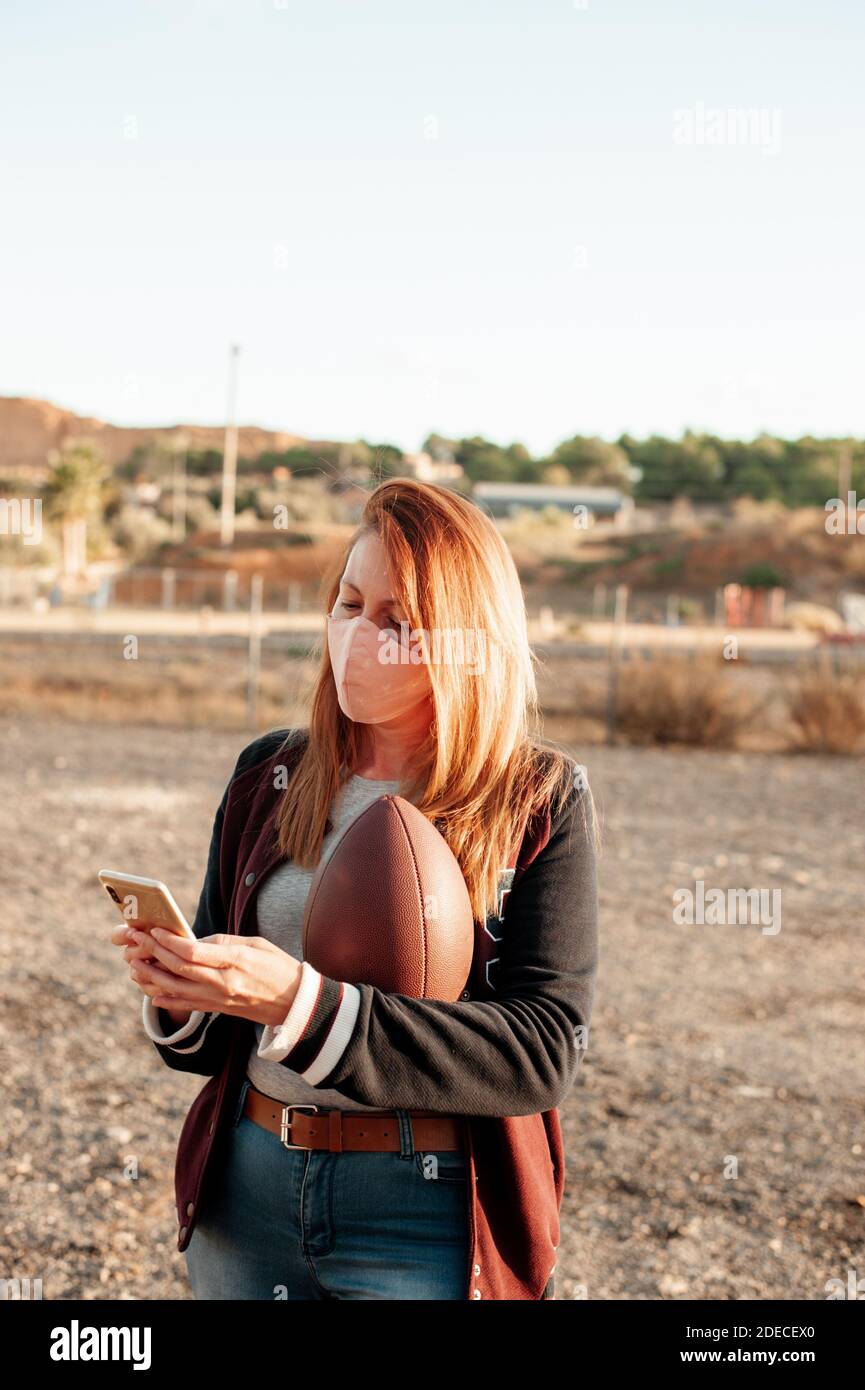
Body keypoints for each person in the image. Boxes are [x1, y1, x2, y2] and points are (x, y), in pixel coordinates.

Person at [112, 477, 599, 1300]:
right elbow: (203, 1042)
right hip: (250, 1187)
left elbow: (540, 1051)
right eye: (346, 604)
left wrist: (299, 1003)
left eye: (395, 621)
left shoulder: (537, 798)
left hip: (425, 1212)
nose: (355, 636)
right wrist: (180, 992)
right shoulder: (269, 773)